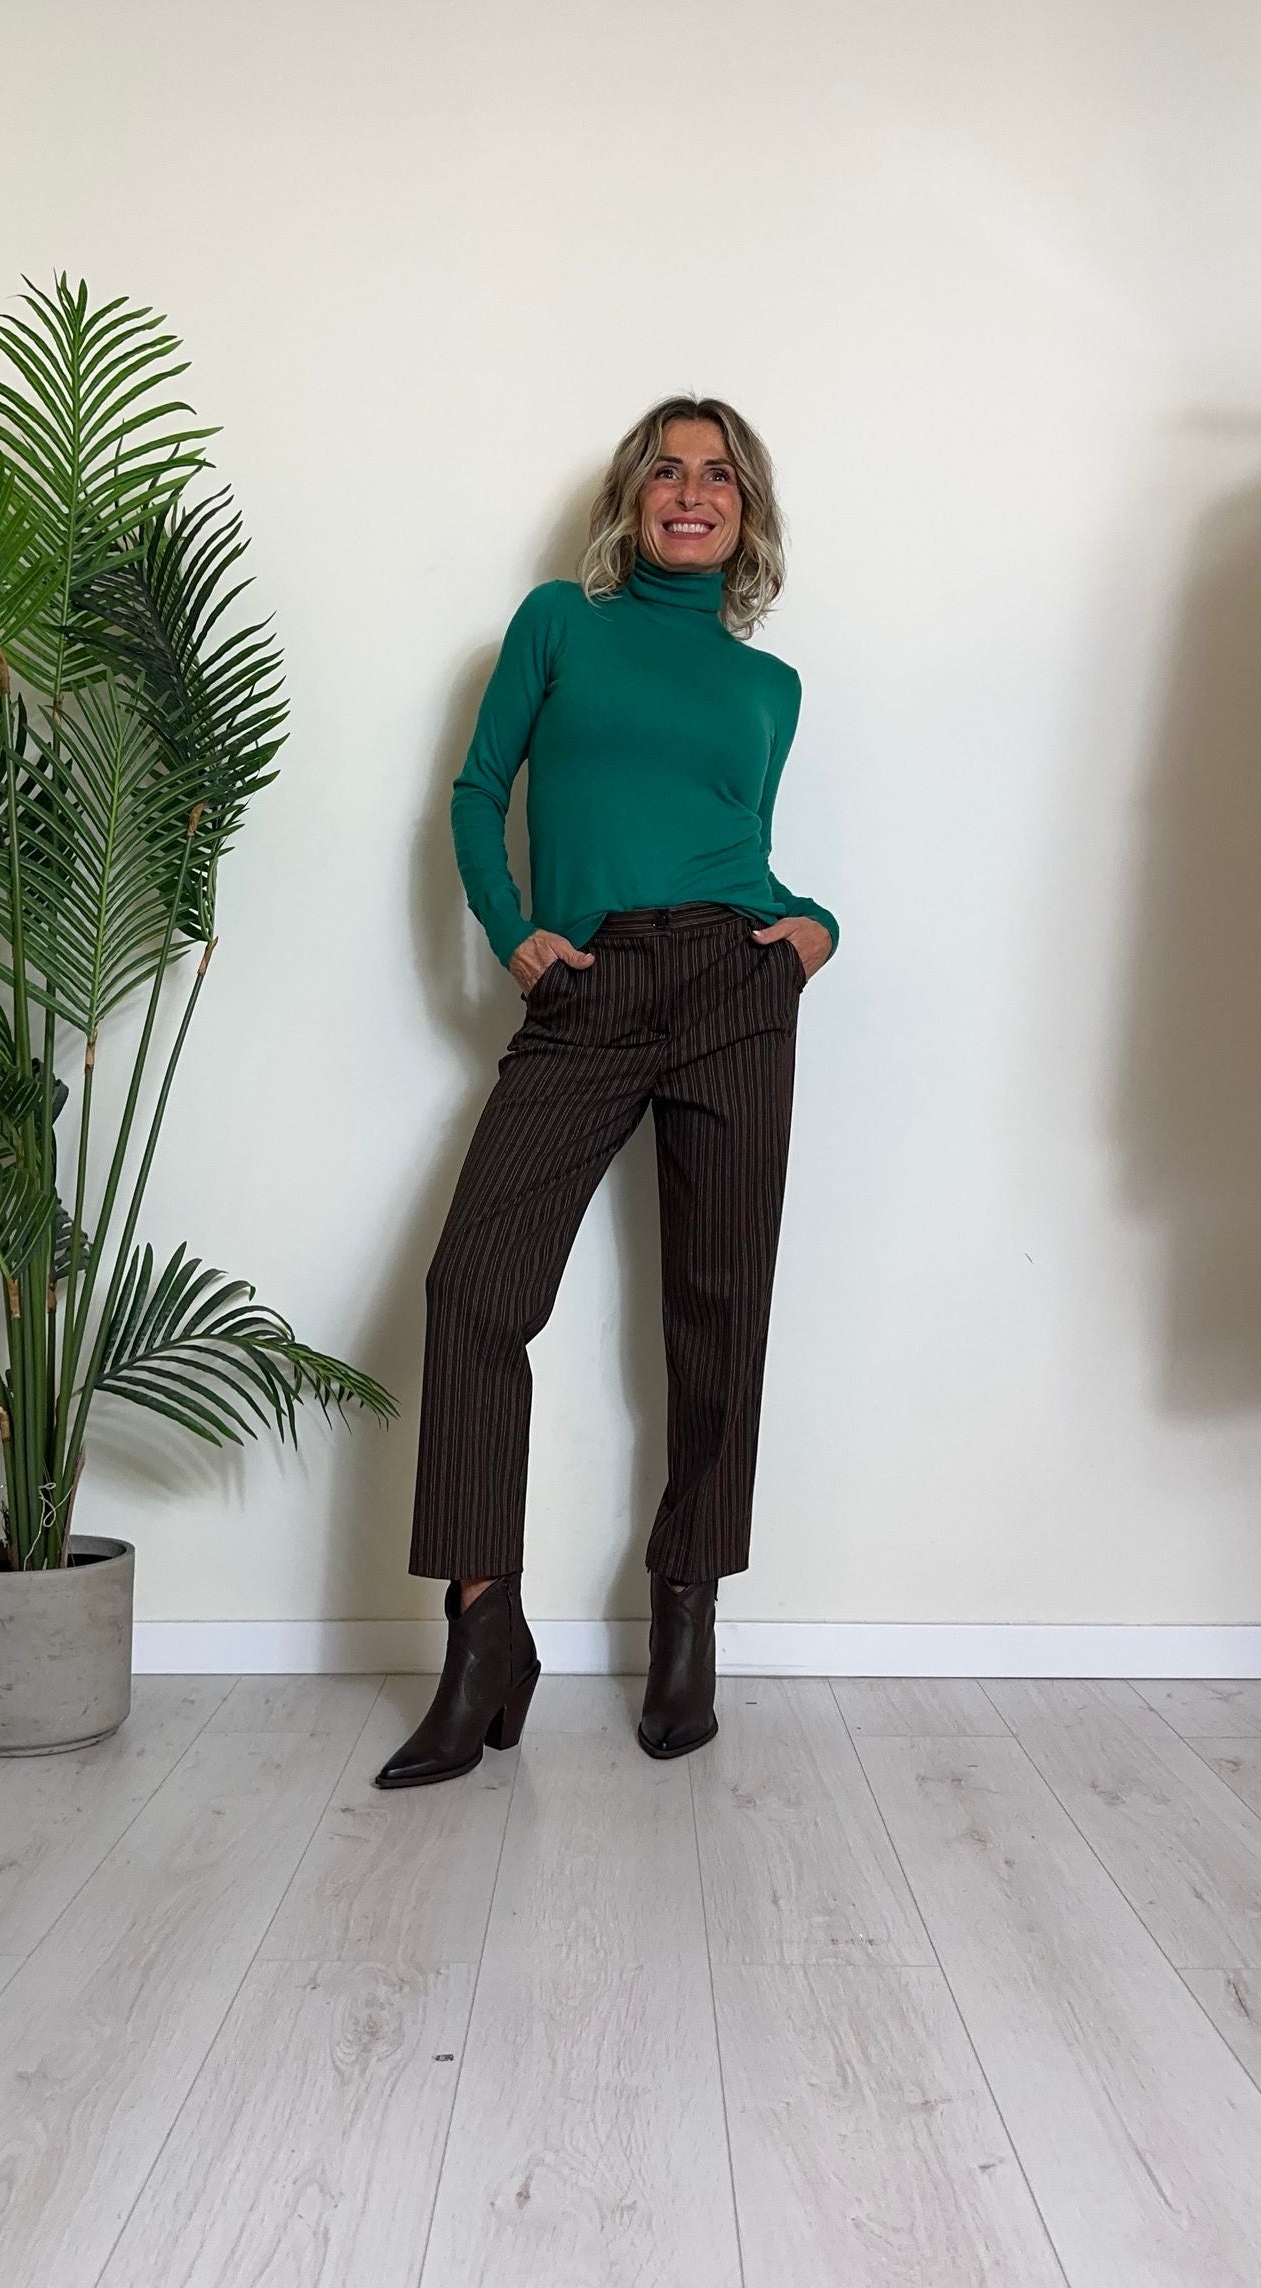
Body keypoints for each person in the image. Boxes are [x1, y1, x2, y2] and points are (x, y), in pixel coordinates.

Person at [374, 395, 838, 1789]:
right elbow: (475, 792)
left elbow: (741, 845)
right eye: (667, 472)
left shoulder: (770, 686)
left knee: (720, 1310)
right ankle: (484, 1634)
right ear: (633, 499)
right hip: (587, 988)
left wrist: (812, 931)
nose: (692, 493)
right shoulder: (556, 626)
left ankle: (687, 1610)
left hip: (737, 987)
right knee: (474, 1292)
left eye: (719, 477)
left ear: (747, 512)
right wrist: (513, 931)